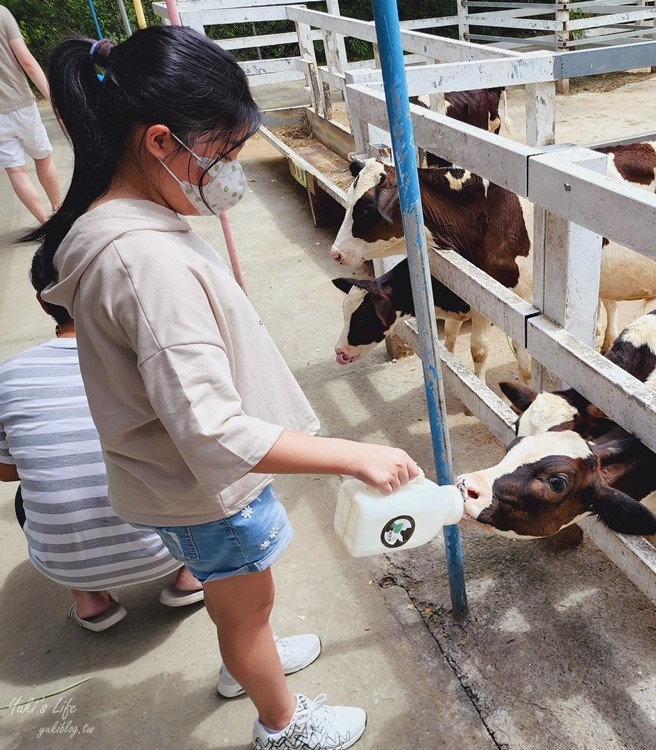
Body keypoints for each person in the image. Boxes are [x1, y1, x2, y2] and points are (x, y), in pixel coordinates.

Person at [29, 26, 420, 750]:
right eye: (226, 153)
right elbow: (209, 428)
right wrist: (348, 453)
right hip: (206, 488)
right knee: (246, 607)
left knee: (238, 604)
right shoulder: (148, 264)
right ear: (159, 142)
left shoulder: (113, 225)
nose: (232, 171)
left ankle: (252, 659)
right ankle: (281, 722)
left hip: (173, 482)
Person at [0, 255, 206, 631]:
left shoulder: (8, 374)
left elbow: (5, 471)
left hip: (63, 563)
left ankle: (91, 600)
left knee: (24, 495)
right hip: (164, 547)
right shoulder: (148, 356)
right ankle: (190, 573)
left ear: (42, 302)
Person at [0, 4, 60, 223]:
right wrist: (54, 100)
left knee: (15, 171)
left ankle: (45, 223)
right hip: (21, 104)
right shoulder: (2, 14)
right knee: (42, 157)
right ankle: (58, 209)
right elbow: (27, 61)